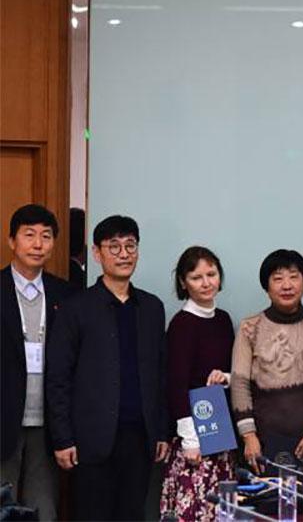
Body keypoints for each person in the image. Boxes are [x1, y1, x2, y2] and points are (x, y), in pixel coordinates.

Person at [46, 215, 169, 521]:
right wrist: (63, 438)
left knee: (132, 514)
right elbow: (59, 377)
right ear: (97, 253)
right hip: (90, 439)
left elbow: (161, 375)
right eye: (114, 247)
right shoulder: (76, 307)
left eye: (130, 245)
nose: (124, 253)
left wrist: (162, 431)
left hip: (140, 437)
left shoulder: (152, 308)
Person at [231, 249, 303, 470]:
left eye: (294, 277)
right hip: (262, 445)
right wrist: (248, 436)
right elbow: (239, 382)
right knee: (264, 503)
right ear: (267, 286)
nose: (287, 285)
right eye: (278, 278)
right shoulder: (249, 328)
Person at [1, 204, 74, 520]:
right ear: (11, 241)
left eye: (46, 236)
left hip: (47, 424)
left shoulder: (66, 294)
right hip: (3, 418)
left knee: (43, 509)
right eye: (29, 235)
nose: (38, 243)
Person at [160, 247, 235, 522]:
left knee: (221, 512)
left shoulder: (224, 320)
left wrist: (226, 378)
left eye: (211, 274)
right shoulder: (181, 324)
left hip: (221, 431)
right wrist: (191, 440)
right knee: (193, 512)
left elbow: (234, 373)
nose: (206, 283)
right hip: (193, 439)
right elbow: (175, 383)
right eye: (196, 277)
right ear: (183, 282)